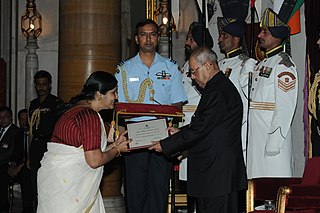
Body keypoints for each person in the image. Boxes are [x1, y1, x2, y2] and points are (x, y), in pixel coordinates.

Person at [149, 46, 247, 213]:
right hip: (216, 173)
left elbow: (201, 129)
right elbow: (208, 125)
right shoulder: (217, 88)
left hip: (217, 175)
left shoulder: (217, 91)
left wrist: (166, 145)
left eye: (194, 71)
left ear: (208, 65)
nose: (193, 77)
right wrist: (180, 133)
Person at [115, 19, 187, 213]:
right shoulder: (124, 69)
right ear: (137, 39)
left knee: (159, 188)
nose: (148, 38)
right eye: (143, 34)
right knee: (135, 189)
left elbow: (178, 101)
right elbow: (119, 107)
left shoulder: (171, 68)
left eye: (153, 34)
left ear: (158, 38)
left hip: (160, 134)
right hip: (134, 135)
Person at [37, 71, 131, 212]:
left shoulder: (75, 110)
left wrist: (113, 146)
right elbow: (94, 160)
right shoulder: (89, 116)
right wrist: (117, 150)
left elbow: (83, 150)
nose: (116, 97)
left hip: (58, 181)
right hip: (69, 187)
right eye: (114, 92)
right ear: (99, 94)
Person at [247, 8, 298, 179]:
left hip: (272, 141)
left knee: (273, 189)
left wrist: (274, 142)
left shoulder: (284, 65)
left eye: (265, 32)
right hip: (256, 140)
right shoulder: (263, 64)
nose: (260, 35)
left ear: (276, 36)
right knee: (256, 192)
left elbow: (285, 107)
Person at [217, 16, 257, 163]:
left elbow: (247, 100)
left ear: (236, 39)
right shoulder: (218, 65)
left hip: (236, 128)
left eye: (224, 36)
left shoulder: (246, 65)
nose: (219, 39)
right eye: (220, 35)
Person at [28, 70, 64, 207]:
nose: (41, 87)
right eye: (38, 84)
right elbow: (31, 130)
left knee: (49, 182)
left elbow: (61, 129)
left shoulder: (56, 103)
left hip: (50, 146)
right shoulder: (33, 104)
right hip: (36, 146)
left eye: (44, 84)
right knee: (34, 182)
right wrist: (29, 155)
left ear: (49, 85)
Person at [7, 108, 33, 213]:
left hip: (32, 165)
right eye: (21, 119)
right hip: (20, 166)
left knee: (25, 174)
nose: (24, 121)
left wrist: (20, 166)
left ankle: (29, 208)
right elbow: (14, 153)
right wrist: (12, 164)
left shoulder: (35, 135)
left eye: (26, 118)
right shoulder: (18, 135)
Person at [0, 106, 24, 213]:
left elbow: (11, 152)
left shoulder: (16, 132)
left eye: (5, 117)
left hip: (8, 163)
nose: (3, 119)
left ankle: (3, 208)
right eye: (0, 117)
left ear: (11, 118)